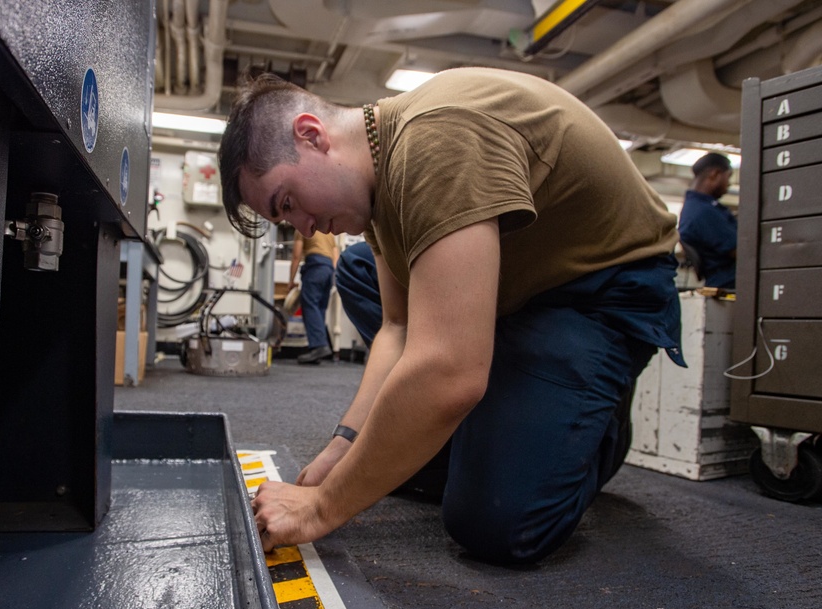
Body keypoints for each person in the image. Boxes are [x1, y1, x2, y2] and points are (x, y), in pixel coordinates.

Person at [217, 67, 684, 566]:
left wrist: (321, 508)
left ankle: (594, 429)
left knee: (495, 523)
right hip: (521, 288)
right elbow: (399, 328)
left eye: (287, 202)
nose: (303, 226)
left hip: (596, 290)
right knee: (357, 272)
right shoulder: (375, 184)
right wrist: (344, 445)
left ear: (312, 136)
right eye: (285, 220)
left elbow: (451, 371)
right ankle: (511, 410)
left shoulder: (435, 143)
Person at [678, 152, 738, 289]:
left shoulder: (699, 207)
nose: (728, 184)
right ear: (714, 174)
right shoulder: (703, 212)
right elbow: (742, 252)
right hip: (729, 283)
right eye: (728, 177)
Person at [289, 230, 339, 363]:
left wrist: (291, 280)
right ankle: (318, 349)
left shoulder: (302, 226)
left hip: (315, 267)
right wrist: (333, 275)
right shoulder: (328, 231)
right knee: (320, 308)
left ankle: (319, 346)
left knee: (310, 305)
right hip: (328, 270)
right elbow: (335, 255)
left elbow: (296, 256)